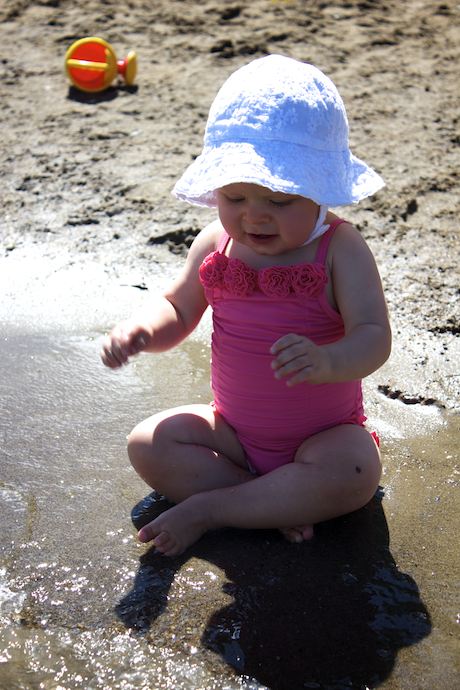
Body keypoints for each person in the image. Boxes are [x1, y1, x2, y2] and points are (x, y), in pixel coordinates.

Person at [101, 55, 391, 557]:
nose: (254, 216)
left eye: (279, 202)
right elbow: (178, 307)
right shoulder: (216, 242)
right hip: (233, 432)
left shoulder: (340, 249)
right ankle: (265, 502)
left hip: (322, 438)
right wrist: (143, 331)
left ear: (320, 190)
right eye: (234, 197)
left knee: (356, 471)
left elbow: (374, 336)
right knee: (147, 442)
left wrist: (330, 361)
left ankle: (214, 509)